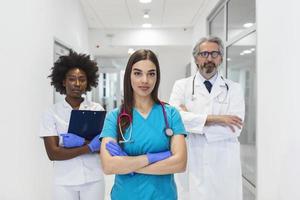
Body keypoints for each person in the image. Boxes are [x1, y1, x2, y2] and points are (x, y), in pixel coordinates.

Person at [100, 49, 187, 200]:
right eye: (138, 73)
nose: (145, 80)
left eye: (151, 73)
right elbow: (108, 166)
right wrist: (152, 157)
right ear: (129, 76)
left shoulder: (171, 114)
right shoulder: (115, 117)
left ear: (157, 77)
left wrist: (128, 165)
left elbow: (180, 163)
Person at [169, 36, 245, 200]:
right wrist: (217, 119)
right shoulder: (181, 86)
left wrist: (191, 120)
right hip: (191, 159)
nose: (209, 58)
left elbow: (235, 128)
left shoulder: (234, 89)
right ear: (196, 58)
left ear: (221, 58)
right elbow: (174, 121)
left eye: (214, 54)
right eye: (204, 54)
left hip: (223, 161)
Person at [39, 51, 105, 200]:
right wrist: (88, 147)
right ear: (63, 82)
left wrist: (83, 144)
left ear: (88, 82)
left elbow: (103, 145)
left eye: (82, 79)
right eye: (72, 79)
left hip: (93, 178)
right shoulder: (51, 113)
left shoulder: (97, 110)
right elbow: (53, 153)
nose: (77, 83)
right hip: (64, 181)